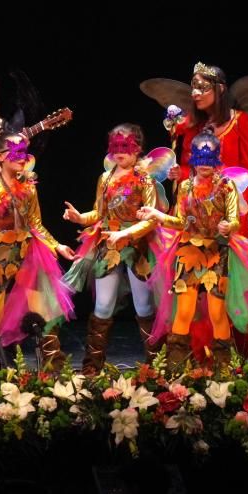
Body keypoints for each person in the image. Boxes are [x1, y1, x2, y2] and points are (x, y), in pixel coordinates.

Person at [138, 131, 248, 372]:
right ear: (194, 160)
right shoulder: (186, 186)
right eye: (200, 162)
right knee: (184, 311)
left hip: (216, 251)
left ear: (217, 160)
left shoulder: (226, 186)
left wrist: (229, 226)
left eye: (209, 162)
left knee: (217, 312)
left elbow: (235, 220)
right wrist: (157, 215)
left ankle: (222, 369)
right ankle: (176, 370)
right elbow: (180, 221)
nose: (204, 168)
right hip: (188, 251)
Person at [0, 134, 76, 370]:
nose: (23, 159)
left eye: (24, 154)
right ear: (0, 156)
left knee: (42, 307)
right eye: (16, 154)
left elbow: (35, 223)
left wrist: (56, 245)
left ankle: (54, 368)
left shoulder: (29, 186)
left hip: (27, 251)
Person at [62, 124, 159, 374]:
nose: (119, 152)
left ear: (137, 149)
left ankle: (157, 366)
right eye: (115, 147)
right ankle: (92, 366)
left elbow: (151, 218)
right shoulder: (105, 178)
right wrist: (79, 218)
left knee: (144, 307)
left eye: (125, 147)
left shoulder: (144, 179)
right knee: (103, 305)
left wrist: (125, 233)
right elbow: (99, 213)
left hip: (137, 245)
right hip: (108, 244)